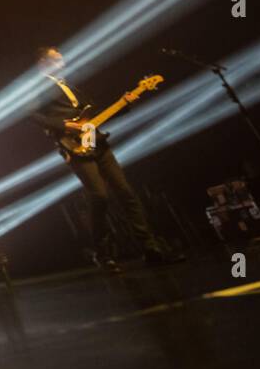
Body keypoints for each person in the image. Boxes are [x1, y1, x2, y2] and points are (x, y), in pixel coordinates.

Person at [30, 46, 184, 272]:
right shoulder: (37, 88)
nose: (62, 58)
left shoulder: (70, 85)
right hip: (74, 145)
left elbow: (96, 115)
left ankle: (151, 249)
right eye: (56, 56)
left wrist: (126, 102)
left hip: (98, 142)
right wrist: (65, 125)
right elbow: (33, 115)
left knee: (126, 193)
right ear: (43, 62)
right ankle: (104, 254)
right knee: (99, 196)